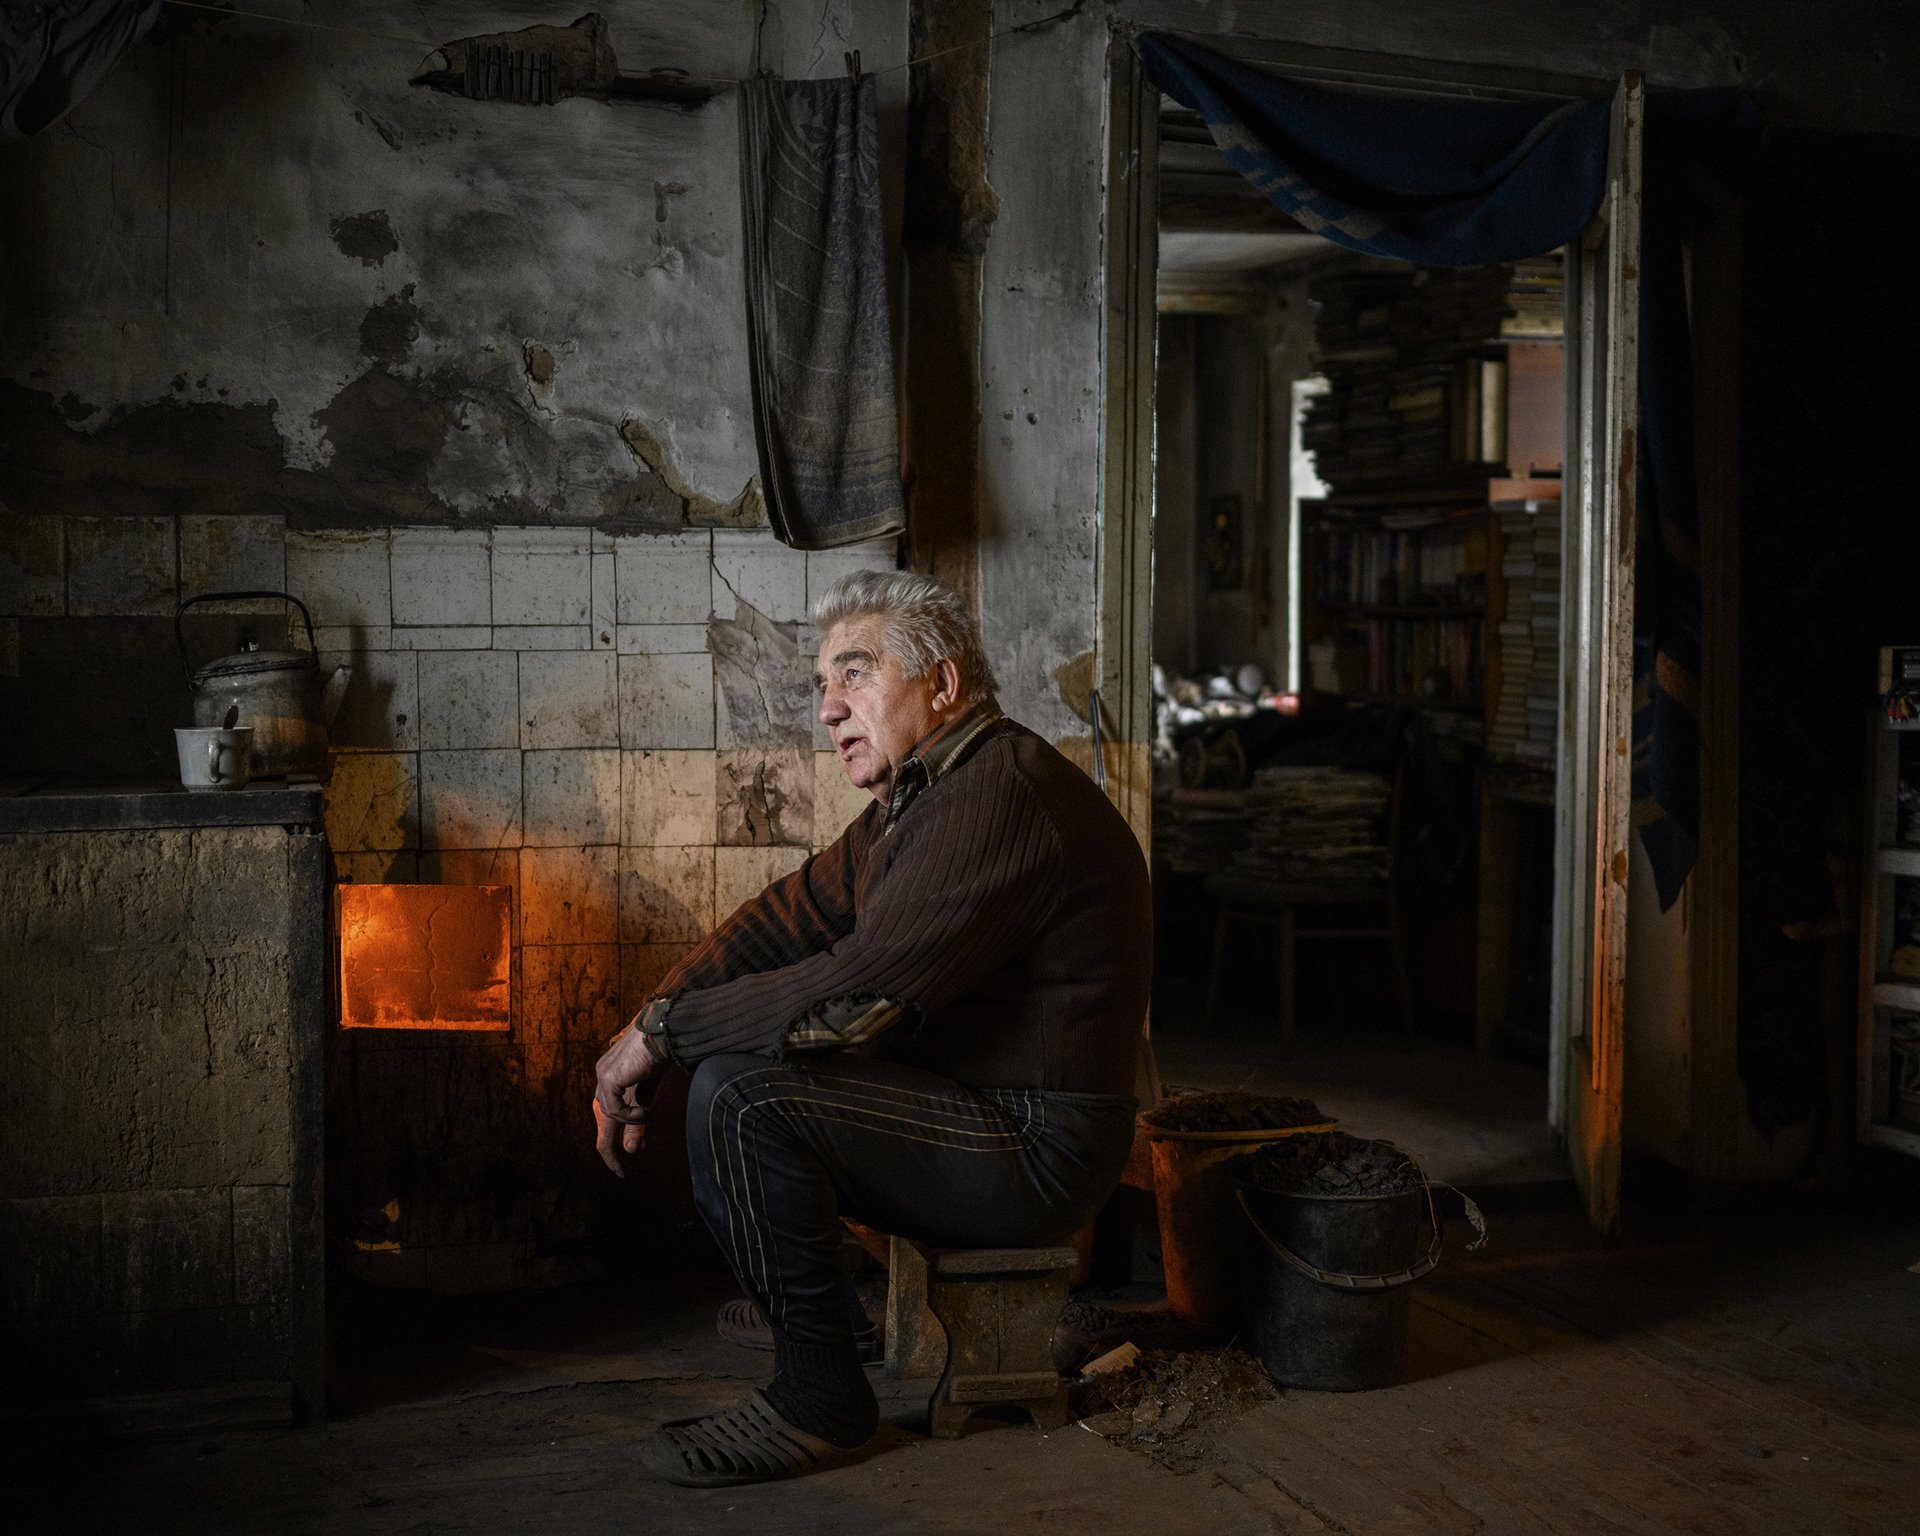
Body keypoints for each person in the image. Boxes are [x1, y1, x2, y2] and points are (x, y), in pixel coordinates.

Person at [593, 569, 1152, 1487]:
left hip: (1036, 1145)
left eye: (853, 676)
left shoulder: (998, 795)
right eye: (822, 685)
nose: (827, 708)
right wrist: (647, 1022)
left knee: (741, 1095)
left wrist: (667, 1039)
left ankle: (822, 1398)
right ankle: (831, 1318)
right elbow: (786, 917)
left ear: (943, 684)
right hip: (971, 1107)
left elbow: (853, 997)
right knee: (730, 1060)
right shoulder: (921, 796)